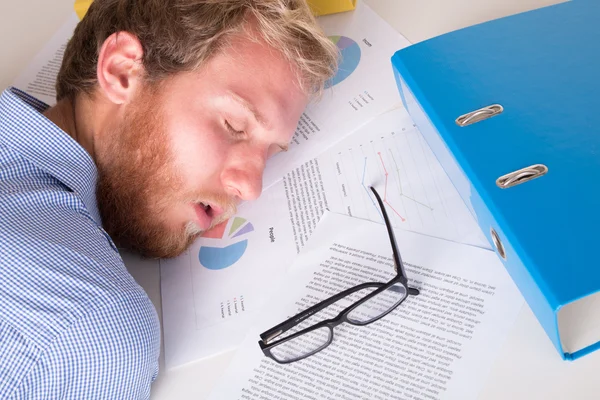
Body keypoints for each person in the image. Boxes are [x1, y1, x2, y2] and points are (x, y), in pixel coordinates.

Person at [0, 0, 338, 398]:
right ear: (121, 70)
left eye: (270, 153)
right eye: (234, 125)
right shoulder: (88, 326)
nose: (250, 188)